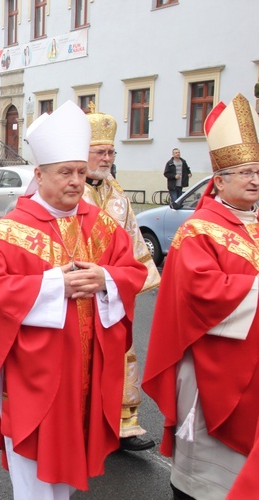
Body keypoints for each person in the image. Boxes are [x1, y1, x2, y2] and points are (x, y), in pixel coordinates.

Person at [0, 101, 148, 498]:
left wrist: (106, 279)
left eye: (81, 172)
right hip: (35, 372)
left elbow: (133, 273)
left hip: (86, 369)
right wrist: (53, 286)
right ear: (39, 174)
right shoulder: (10, 232)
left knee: (67, 470)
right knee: (34, 473)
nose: (75, 181)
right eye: (65, 172)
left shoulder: (101, 224)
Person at [142, 93, 259, 499]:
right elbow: (198, 292)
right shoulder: (200, 229)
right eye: (245, 172)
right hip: (213, 365)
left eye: (258, 171)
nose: (255, 180)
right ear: (220, 180)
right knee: (208, 474)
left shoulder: (255, 224)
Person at [82, 104, 161, 452]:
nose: (107, 157)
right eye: (100, 151)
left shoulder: (118, 193)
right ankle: (85, 421)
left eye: (111, 151)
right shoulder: (69, 192)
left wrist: (132, 278)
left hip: (115, 290)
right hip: (82, 291)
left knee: (122, 353)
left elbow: (132, 238)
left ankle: (124, 421)